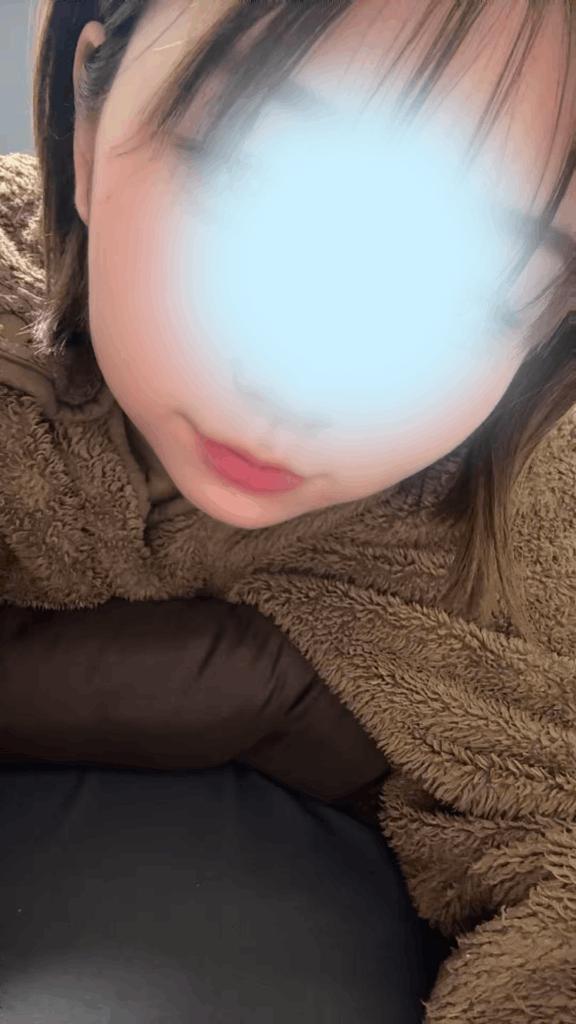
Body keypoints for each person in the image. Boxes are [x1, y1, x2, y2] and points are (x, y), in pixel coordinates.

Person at [0, 0, 573, 1021]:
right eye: (245, 176)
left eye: (479, 286)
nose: (302, 382)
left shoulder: (539, 532)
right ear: (88, 126)